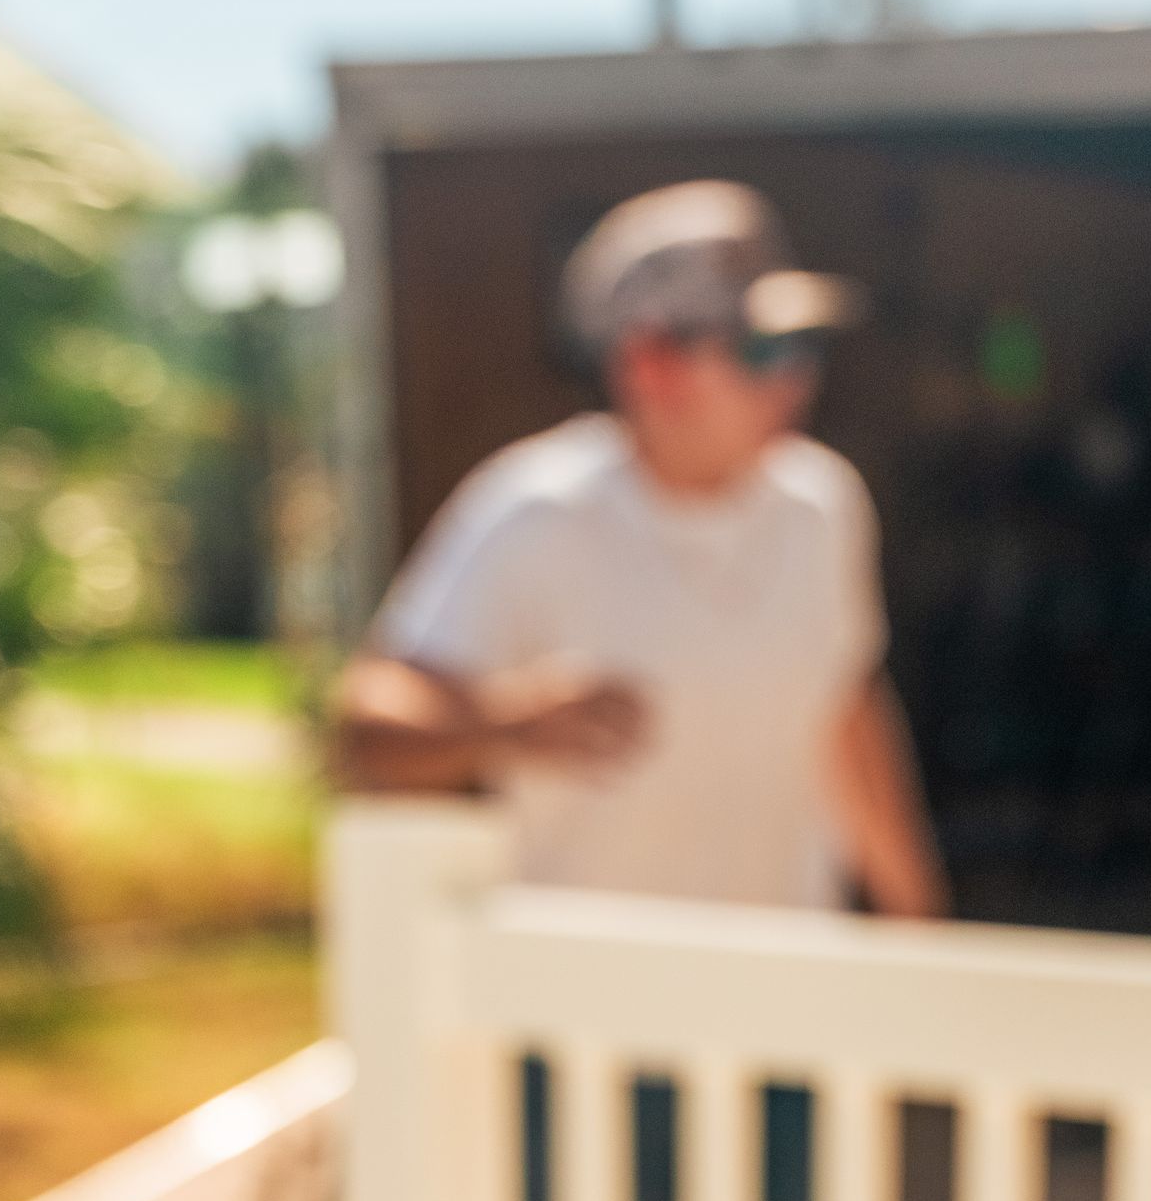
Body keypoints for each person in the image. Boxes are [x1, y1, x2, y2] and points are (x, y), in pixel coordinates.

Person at [333, 179, 947, 920]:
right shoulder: (536, 509)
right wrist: (504, 722)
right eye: (763, 348)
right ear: (650, 363)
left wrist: (917, 925)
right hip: (586, 1013)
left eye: (803, 344)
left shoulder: (825, 504)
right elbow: (367, 728)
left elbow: (845, 712)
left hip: (779, 997)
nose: (797, 376)